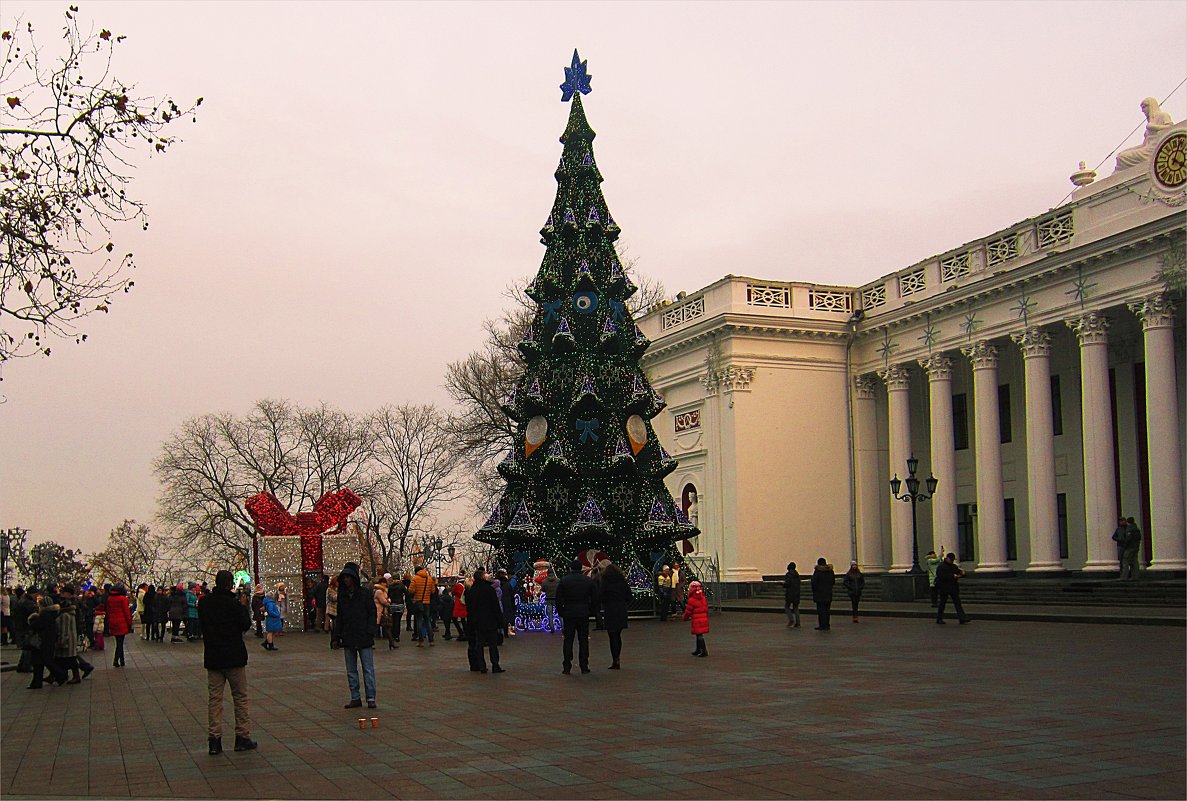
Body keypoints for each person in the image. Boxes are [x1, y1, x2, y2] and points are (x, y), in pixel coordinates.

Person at [197, 569, 258, 755]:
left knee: (215, 699)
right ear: (230, 584)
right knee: (239, 697)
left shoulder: (204, 603)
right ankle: (242, 736)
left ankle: (214, 739)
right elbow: (245, 625)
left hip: (213, 657)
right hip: (234, 656)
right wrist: (242, 605)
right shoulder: (233, 605)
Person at [332, 562, 377, 708]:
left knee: (367, 668)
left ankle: (370, 697)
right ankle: (355, 696)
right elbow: (340, 617)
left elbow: (372, 612)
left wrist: (371, 630)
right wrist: (336, 636)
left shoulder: (364, 593)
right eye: (344, 578)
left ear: (354, 578)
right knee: (351, 669)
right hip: (348, 635)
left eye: (348, 577)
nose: (346, 580)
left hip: (363, 634)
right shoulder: (343, 596)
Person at [555, 559, 596, 675]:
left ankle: (567, 665)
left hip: (569, 612)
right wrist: (590, 610)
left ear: (570, 568)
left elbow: (558, 598)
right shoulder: (588, 581)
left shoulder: (564, 581)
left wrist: (561, 611)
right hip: (583, 612)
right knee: (583, 640)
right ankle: (584, 665)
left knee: (568, 639)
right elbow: (595, 597)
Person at [463, 568, 504, 673]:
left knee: (479, 644)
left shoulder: (472, 590)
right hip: (490, 620)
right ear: (482, 577)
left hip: (477, 621)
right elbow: (495, 606)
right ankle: (495, 665)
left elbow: (469, 608)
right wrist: (500, 620)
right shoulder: (489, 589)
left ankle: (482, 666)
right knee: (492, 644)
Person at [26, 594, 68, 689]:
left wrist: (32, 619)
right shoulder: (52, 613)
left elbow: (36, 626)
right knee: (44, 661)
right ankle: (40, 681)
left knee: (43, 661)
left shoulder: (44, 614)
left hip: (43, 641)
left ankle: (60, 675)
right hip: (48, 640)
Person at [600, 563, 631, 669]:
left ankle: (615, 659)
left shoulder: (605, 582)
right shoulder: (623, 582)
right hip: (621, 609)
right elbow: (629, 596)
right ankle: (617, 658)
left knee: (612, 635)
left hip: (610, 609)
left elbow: (601, 596)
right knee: (618, 634)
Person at [935, 552, 970, 624]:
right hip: (944, 588)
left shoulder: (953, 566)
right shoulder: (941, 566)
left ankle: (962, 618)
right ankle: (939, 618)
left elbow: (958, 571)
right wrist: (952, 576)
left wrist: (963, 573)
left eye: (953, 560)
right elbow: (941, 576)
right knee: (942, 604)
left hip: (953, 588)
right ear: (947, 558)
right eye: (951, 560)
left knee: (957, 603)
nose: (952, 561)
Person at [408, 565, 436, 647]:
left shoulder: (415, 579)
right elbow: (433, 591)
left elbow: (411, 590)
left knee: (419, 621)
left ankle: (421, 641)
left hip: (418, 602)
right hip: (427, 602)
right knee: (427, 621)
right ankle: (431, 640)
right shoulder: (429, 578)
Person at [106, 584, 133, 666]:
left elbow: (108, 611)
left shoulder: (110, 598)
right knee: (120, 643)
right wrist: (130, 623)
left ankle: (122, 660)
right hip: (122, 622)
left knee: (118, 641)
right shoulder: (123, 599)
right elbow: (126, 612)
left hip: (113, 621)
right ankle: (116, 660)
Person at [683, 580, 710, 657]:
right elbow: (706, 608)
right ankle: (698, 649)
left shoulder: (692, 600)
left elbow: (688, 611)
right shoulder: (703, 598)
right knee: (698, 634)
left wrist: (685, 617)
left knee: (699, 635)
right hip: (703, 618)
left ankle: (703, 651)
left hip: (697, 619)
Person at [810, 558, 835, 631]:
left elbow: (814, 583)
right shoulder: (830, 571)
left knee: (821, 611)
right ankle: (827, 624)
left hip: (819, 594)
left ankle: (822, 625)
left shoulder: (817, 572)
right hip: (828, 594)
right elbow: (833, 582)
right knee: (827, 610)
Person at [374, 578, 397, 650]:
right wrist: (388, 601)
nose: (386, 584)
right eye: (384, 583)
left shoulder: (383, 590)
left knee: (387, 627)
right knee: (376, 627)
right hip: (379, 611)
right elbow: (384, 601)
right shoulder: (379, 591)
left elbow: (387, 599)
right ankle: (391, 643)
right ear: (381, 583)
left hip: (383, 611)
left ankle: (391, 643)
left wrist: (387, 600)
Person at [495, 568, 517, 637]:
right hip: (507, 602)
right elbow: (511, 594)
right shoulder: (508, 584)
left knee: (499, 617)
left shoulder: (495, 584)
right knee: (506, 617)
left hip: (498, 602)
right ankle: (505, 632)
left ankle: (499, 632)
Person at [782, 562, 801, 628]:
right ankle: (798, 622)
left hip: (790, 593)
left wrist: (783, 584)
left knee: (787, 607)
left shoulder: (788, 575)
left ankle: (791, 620)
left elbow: (788, 584)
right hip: (797, 593)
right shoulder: (797, 575)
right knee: (796, 608)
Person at [541, 566, 560, 633]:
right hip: (556, 599)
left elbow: (543, 590)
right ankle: (563, 627)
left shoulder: (544, 581)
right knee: (560, 614)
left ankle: (552, 628)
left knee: (550, 615)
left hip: (548, 599)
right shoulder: (558, 580)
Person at [449, 579, 468, 643]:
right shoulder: (466, 586)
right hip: (464, 604)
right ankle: (465, 633)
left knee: (454, 619)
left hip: (458, 604)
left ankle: (461, 632)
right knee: (463, 619)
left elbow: (452, 593)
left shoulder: (457, 586)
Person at [325, 576, 339, 645]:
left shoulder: (337, 589)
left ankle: (336, 640)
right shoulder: (330, 589)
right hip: (332, 611)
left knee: (337, 625)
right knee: (335, 626)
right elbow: (333, 598)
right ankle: (334, 641)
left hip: (337, 610)